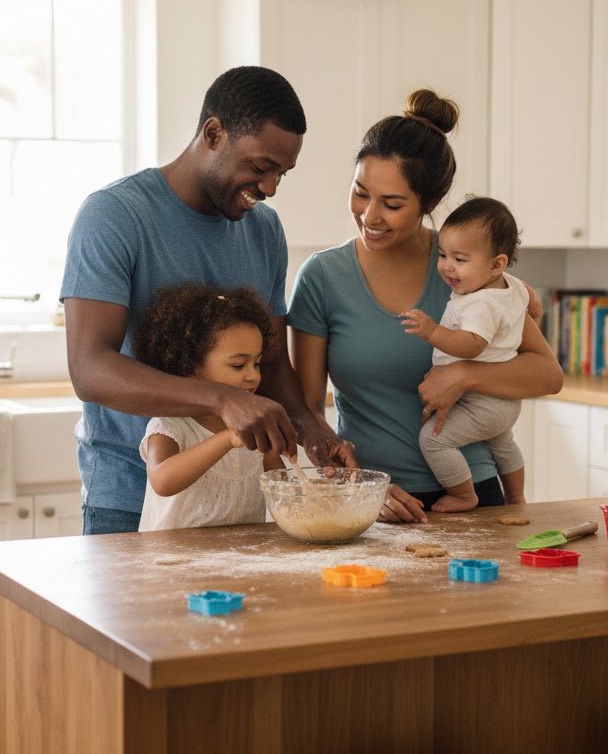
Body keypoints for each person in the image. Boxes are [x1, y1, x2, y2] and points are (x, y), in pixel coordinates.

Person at [60, 65, 354, 535]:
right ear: (213, 133)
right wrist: (223, 400)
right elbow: (90, 368)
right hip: (129, 500)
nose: (271, 187)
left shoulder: (265, 231)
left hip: (235, 506)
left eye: (282, 172)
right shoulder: (115, 216)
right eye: (261, 167)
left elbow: (273, 363)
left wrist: (309, 425)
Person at [288, 89, 563, 524]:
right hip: (377, 502)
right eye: (361, 193)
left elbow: (548, 375)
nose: (369, 216)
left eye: (392, 204)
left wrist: (464, 373)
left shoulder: (466, 270)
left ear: (429, 204)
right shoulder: (322, 277)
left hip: (475, 492)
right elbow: (305, 414)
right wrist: (360, 487)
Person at [400, 196, 527, 512]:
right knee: (503, 443)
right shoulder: (510, 286)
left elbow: (472, 344)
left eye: (459, 259)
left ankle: (462, 494)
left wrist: (432, 331)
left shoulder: (479, 302)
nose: (446, 266)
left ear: (496, 264)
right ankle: (516, 496)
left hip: (482, 401)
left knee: (434, 440)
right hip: (503, 400)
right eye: (443, 255)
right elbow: (528, 304)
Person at [133, 283, 285, 531]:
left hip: (241, 559)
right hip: (174, 563)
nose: (253, 376)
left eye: (256, 364)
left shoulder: (256, 424)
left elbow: (280, 487)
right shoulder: (170, 425)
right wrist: (227, 439)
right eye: (238, 365)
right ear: (192, 365)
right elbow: (162, 480)